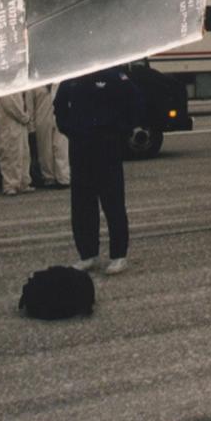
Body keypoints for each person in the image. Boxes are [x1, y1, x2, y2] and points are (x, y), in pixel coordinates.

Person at [54, 67, 144, 274]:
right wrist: (69, 129)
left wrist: (121, 129)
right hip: (80, 146)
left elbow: (136, 102)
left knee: (113, 202)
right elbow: (59, 106)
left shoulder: (114, 76)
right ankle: (88, 254)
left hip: (107, 145)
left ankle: (118, 255)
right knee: (82, 203)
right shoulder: (73, 77)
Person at [0, 91, 33, 196]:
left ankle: (23, 182)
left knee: (23, 154)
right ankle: (10, 185)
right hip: (10, 124)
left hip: (20, 124)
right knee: (10, 154)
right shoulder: (4, 88)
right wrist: (24, 117)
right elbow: (11, 106)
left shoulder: (17, 86)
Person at [31, 83, 70, 188]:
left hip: (59, 117)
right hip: (42, 119)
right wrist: (31, 125)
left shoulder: (60, 82)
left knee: (61, 147)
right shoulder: (35, 86)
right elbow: (31, 105)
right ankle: (49, 178)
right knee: (45, 150)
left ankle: (63, 178)